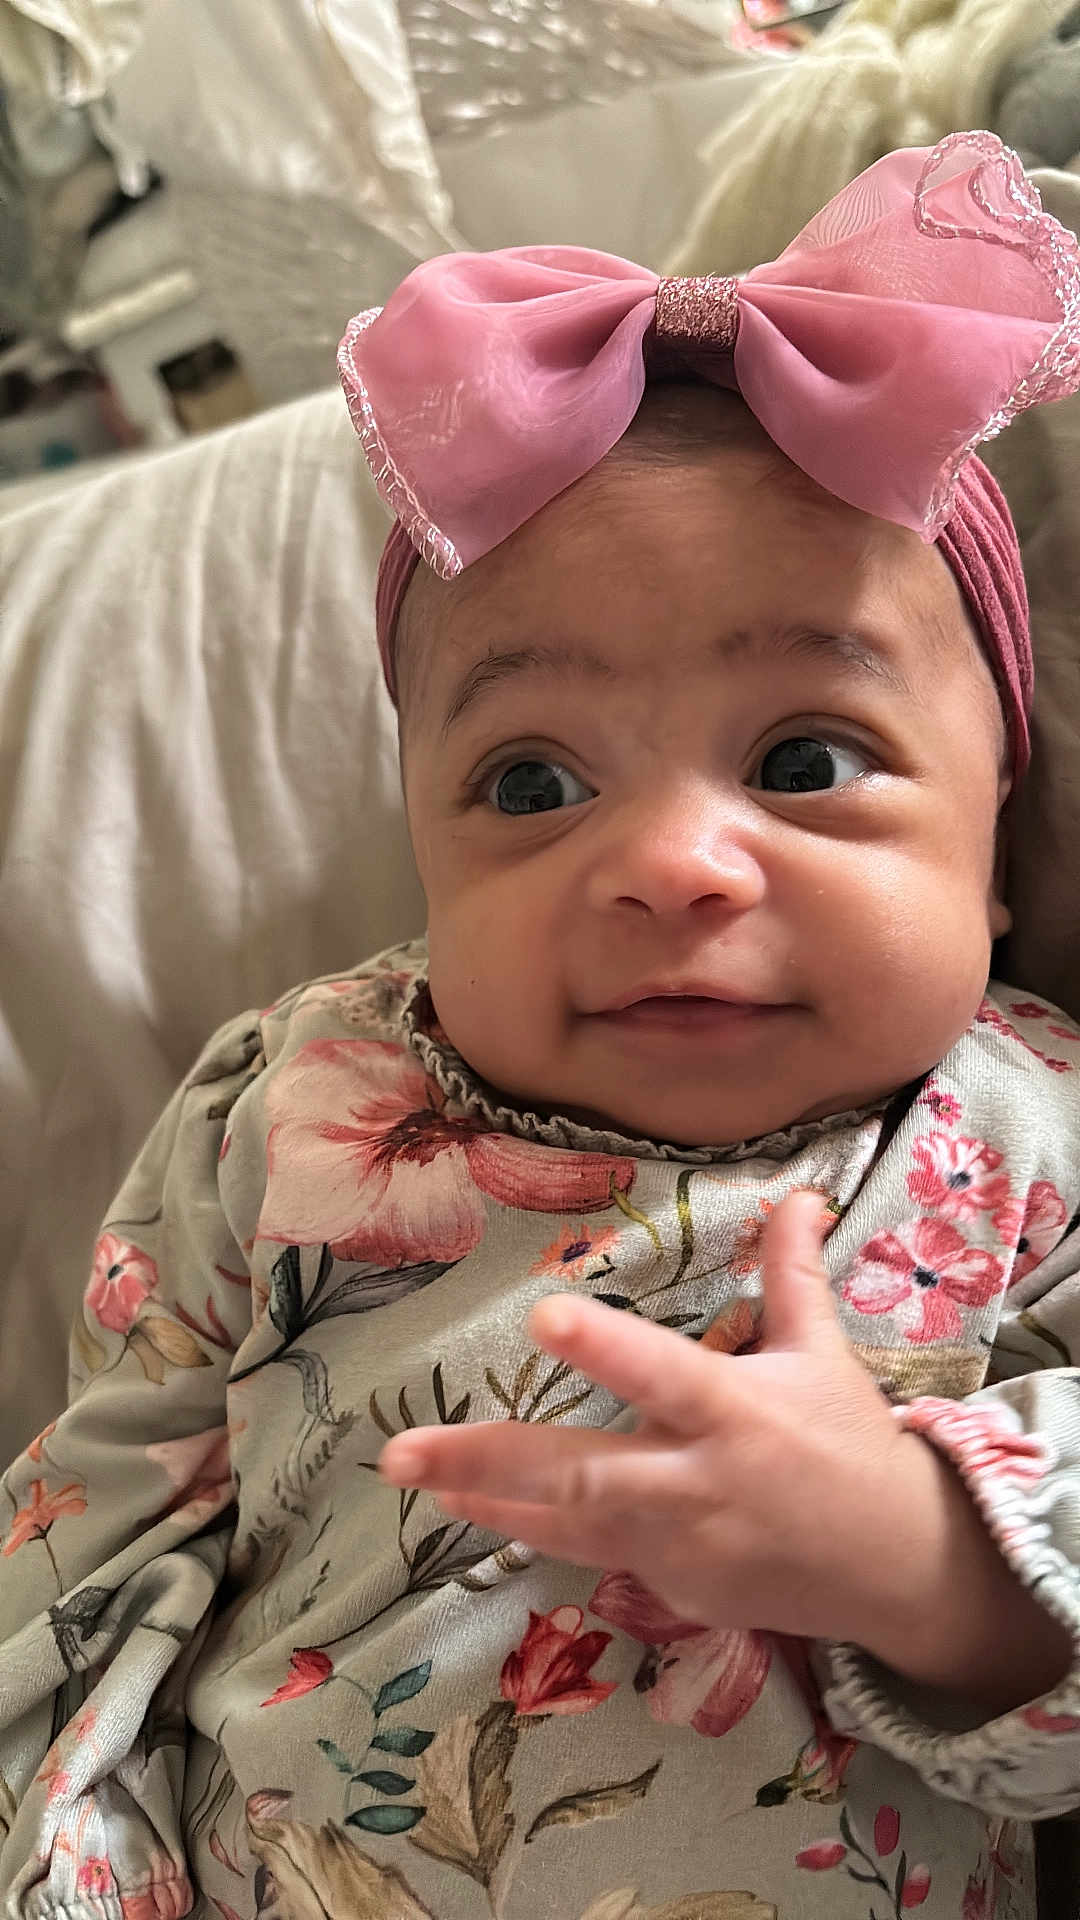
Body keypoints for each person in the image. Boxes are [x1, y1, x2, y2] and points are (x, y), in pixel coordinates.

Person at [1, 132, 1079, 1920]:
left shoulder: (1035, 1132)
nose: (666, 862)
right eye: (529, 781)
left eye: (805, 762)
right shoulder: (299, 1096)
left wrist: (919, 1553)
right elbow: (100, 1509)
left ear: (997, 843)